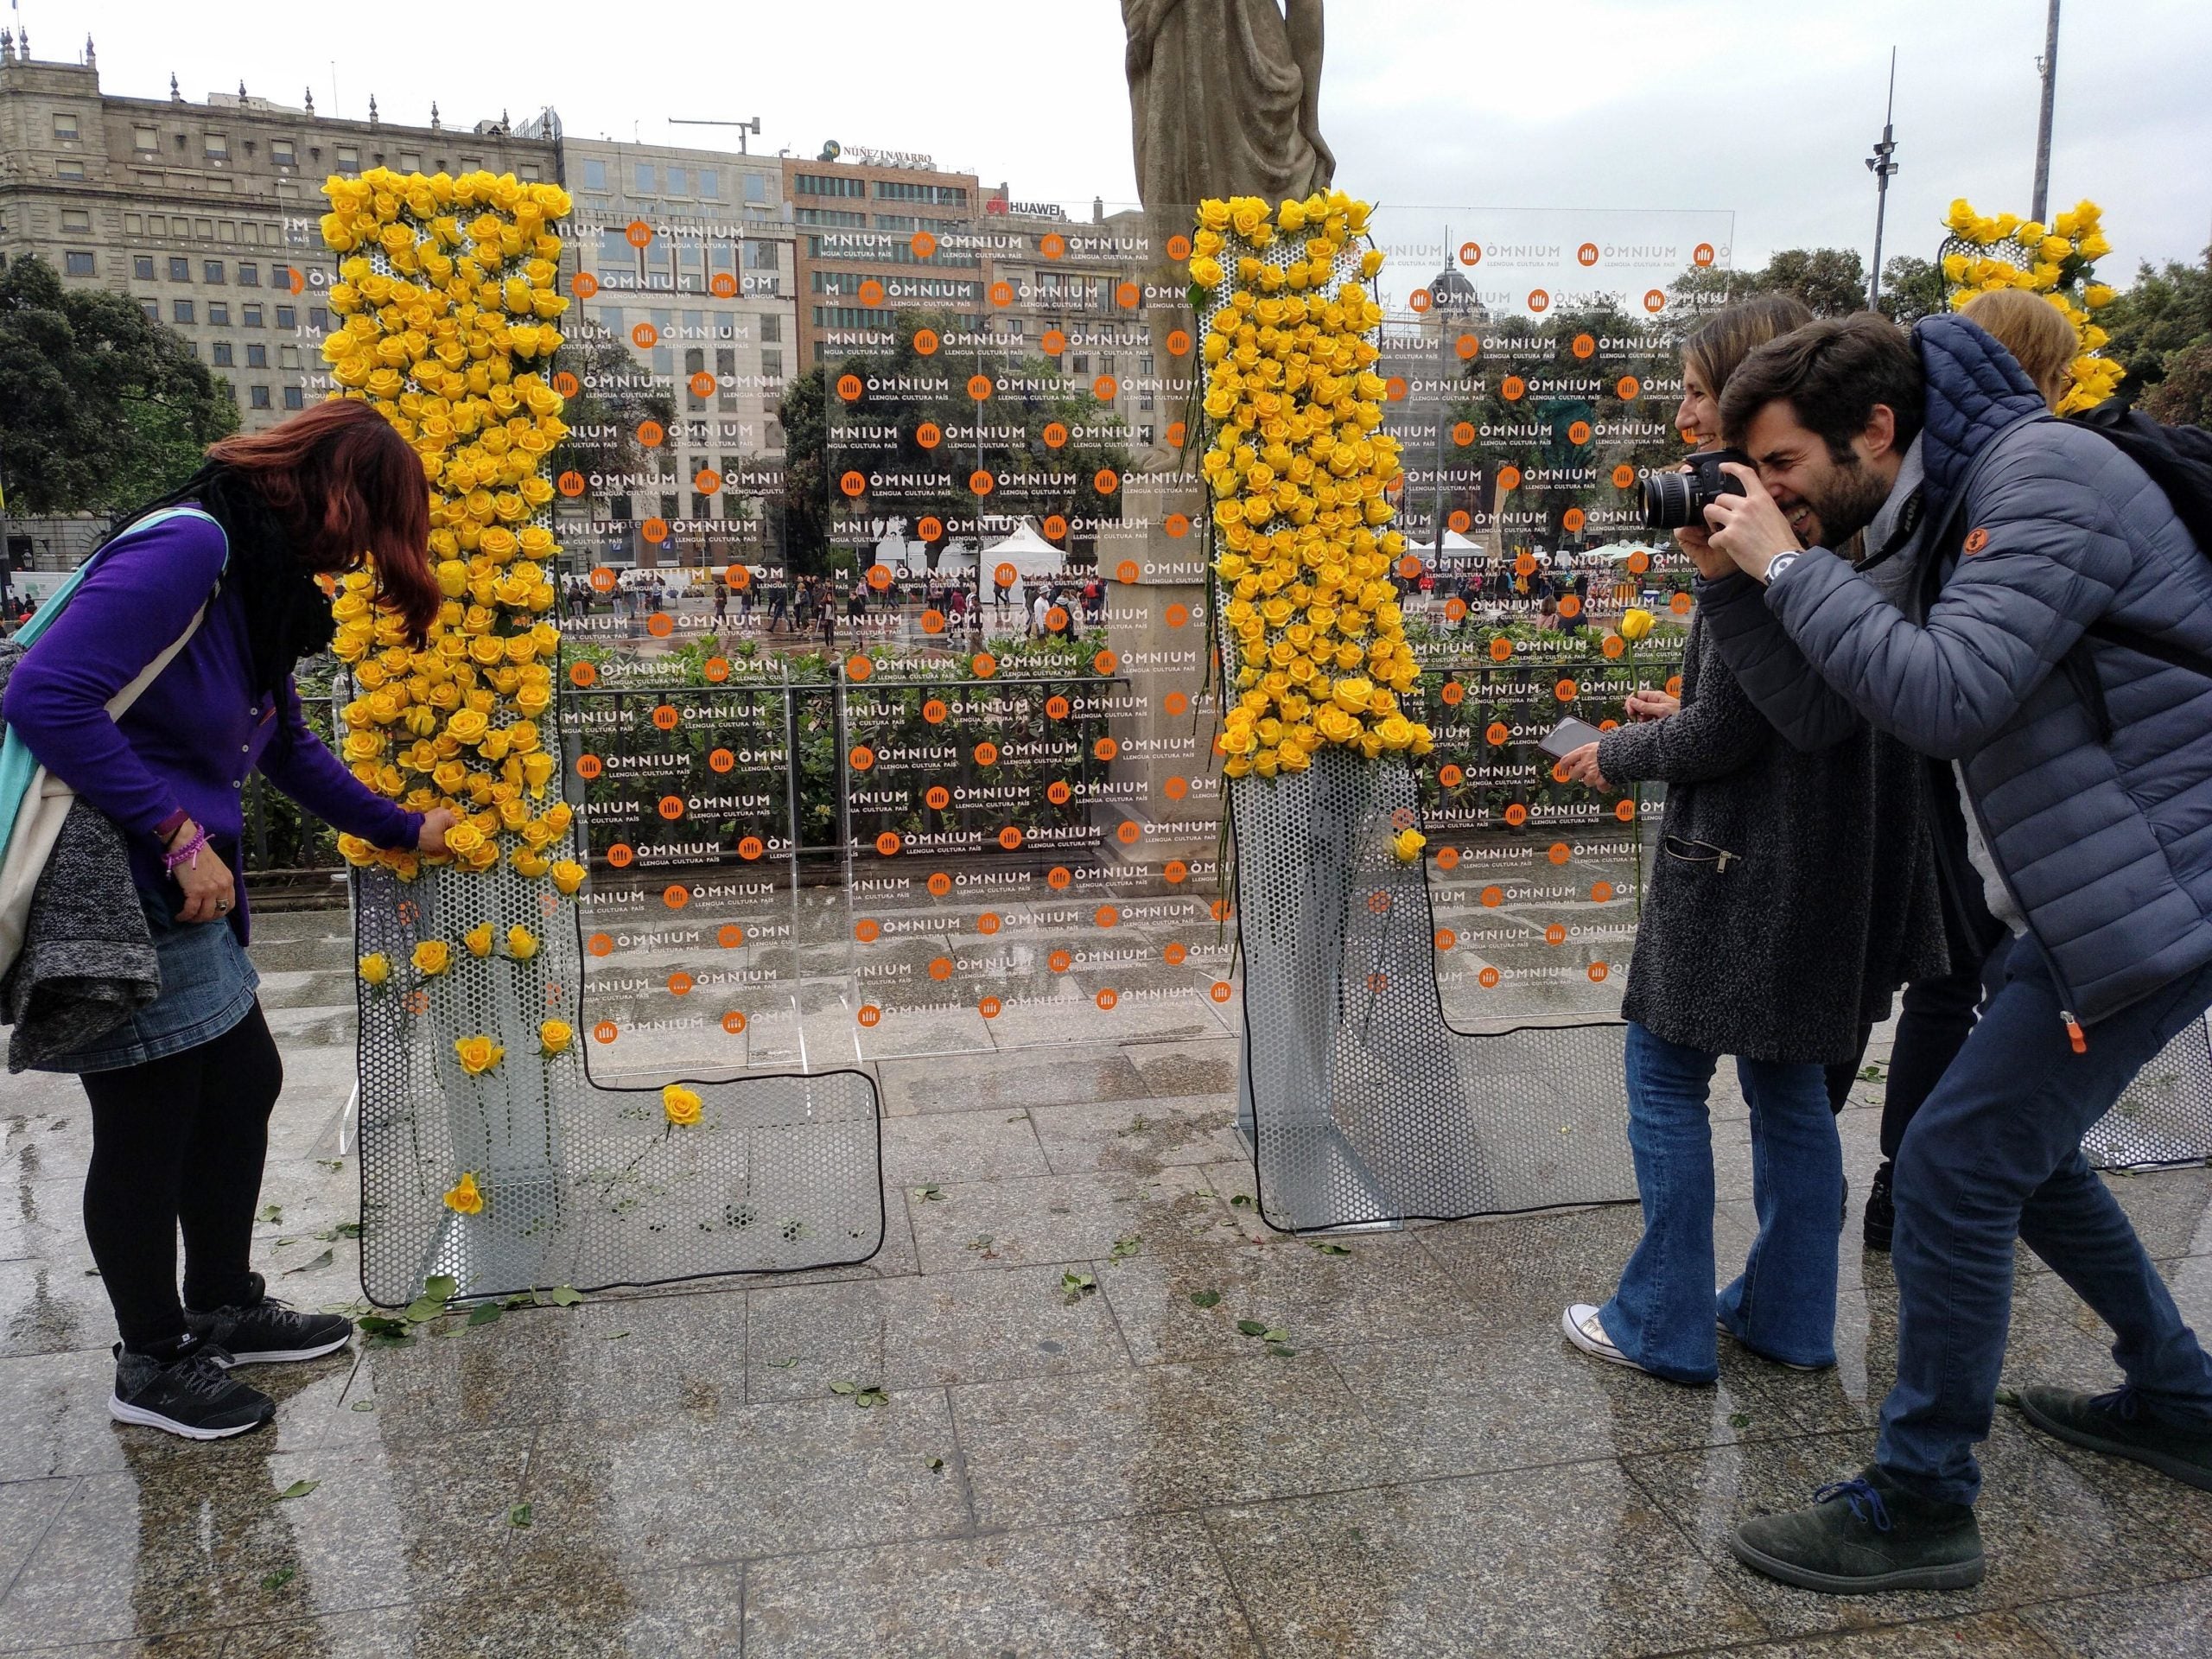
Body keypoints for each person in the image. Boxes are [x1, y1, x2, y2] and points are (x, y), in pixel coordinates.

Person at [1699, 310, 2212, 1592]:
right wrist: (1740, 584)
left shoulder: (2045, 479)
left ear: (1876, 429)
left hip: (2157, 889)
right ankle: (2184, 1396)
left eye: (1783, 467)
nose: (1772, 495)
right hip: (2088, 893)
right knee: (2017, 1164)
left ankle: (1923, 1499)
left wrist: (1786, 567)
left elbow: (1946, 694)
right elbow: (1825, 709)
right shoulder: (1943, 503)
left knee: (1952, 1163)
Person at [0, 401, 455, 1440]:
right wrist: (173, 833)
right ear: (339, 496)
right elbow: (45, 694)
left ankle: (223, 1304)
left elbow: (284, 746)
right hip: (120, 884)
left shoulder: (255, 579)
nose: (357, 559)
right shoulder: (194, 545)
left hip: (179, 888)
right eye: (371, 529)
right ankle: (153, 1359)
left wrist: (402, 827)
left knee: (243, 1080)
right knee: (148, 1123)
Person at [1556, 294, 1943, 1388]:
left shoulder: (1764, 533)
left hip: (1740, 865)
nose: (1684, 417)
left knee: (1662, 1077)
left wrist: (1621, 755)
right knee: (1788, 1096)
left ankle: (1662, 1322)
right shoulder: (1866, 524)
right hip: (1836, 861)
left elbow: (1731, 731)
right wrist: (1668, 715)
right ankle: (1787, 1319)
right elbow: (1779, 710)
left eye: (1695, 394)